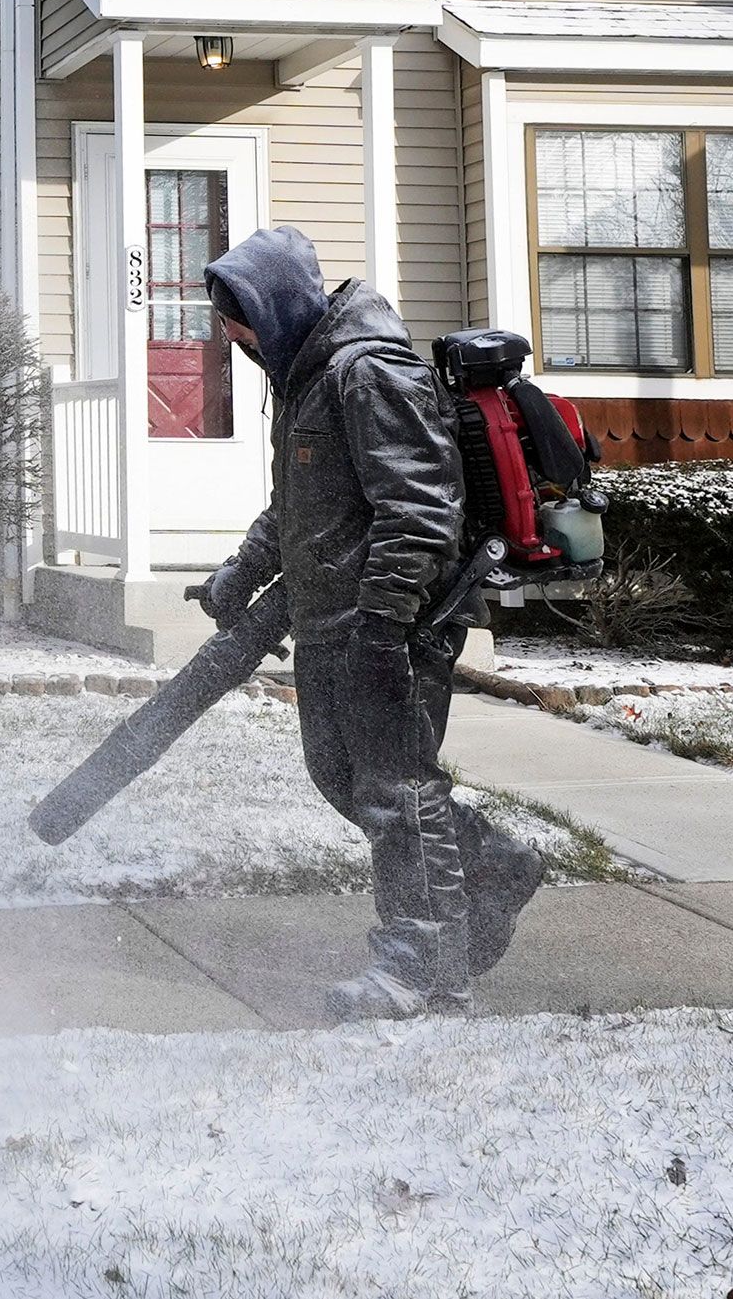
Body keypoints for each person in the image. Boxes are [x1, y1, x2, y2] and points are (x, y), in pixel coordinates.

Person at [195, 225, 535, 1021]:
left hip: (388, 625)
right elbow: (298, 509)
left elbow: (418, 512)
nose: (232, 338)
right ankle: (494, 866)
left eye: (238, 318)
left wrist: (384, 628)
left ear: (275, 306)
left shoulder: (367, 373)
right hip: (330, 622)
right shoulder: (307, 377)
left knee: (395, 790)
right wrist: (239, 575)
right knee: (340, 775)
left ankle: (415, 970)